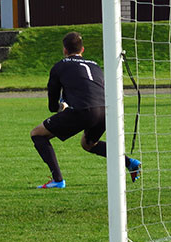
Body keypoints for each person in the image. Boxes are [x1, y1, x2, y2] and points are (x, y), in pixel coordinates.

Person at [30, 31, 141, 188]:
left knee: (37, 134)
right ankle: (130, 162)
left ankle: (57, 180)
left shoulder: (59, 66)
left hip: (83, 111)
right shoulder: (95, 65)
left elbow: (51, 105)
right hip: (106, 110)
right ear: (82, 50)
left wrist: (60, 107)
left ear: (64, 50)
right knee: (88, 144)